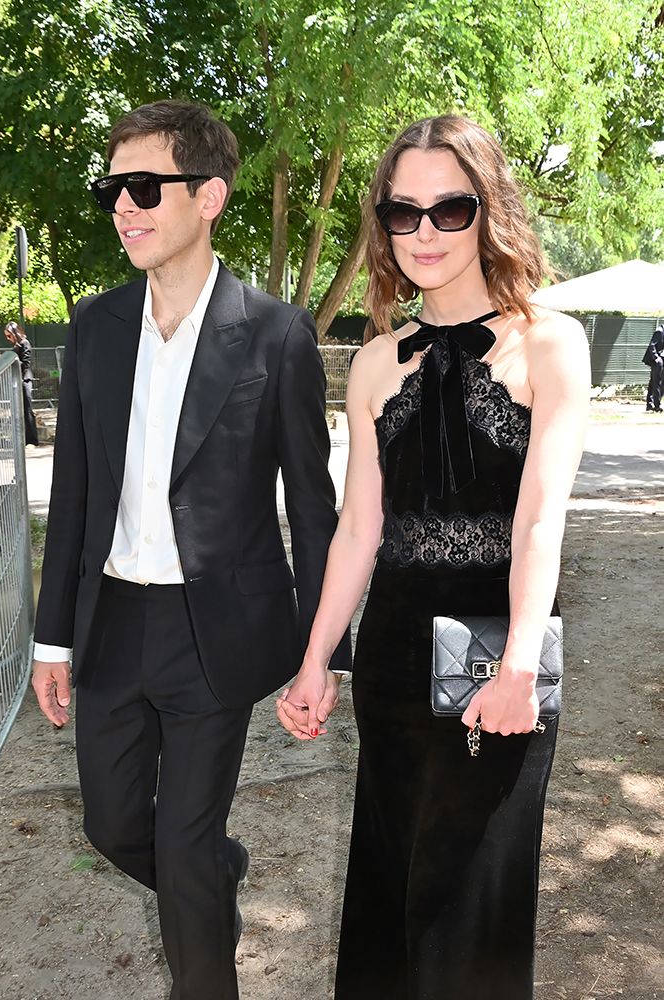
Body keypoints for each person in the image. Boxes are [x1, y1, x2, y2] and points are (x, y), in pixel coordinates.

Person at [31, 99, 350, 1000]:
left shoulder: (278, 334)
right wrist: (53, 640)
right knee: (112, 825)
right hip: (111, 625)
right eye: (113, 191)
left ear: (208, 197)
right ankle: (212, 876)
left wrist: (316, 652)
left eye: (143, 187)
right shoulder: (93, 328)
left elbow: (313, 510)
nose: (123, 207)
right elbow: (77, 500)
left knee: (183, 843)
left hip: (216, 632)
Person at [277, 115, 591, 999]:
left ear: (488, 211)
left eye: (449, 210)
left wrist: (523, 662)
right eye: (402, 211)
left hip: (500, 656)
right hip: (393, 657)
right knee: (390, 890)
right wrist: (315, 662)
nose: (423, 232)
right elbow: (356, 530)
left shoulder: (551, 344)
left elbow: (539, 519)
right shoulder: (377, 363)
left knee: (470, 905)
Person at [3, 320, 39, 445]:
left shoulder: (24, 343)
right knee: (22, 409)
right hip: (20, 380)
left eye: (9, 335)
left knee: (27, 409)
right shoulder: (18, 346)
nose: (8, 338)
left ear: (15, 333)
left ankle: (32, 440)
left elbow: (26, 364)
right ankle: (25, 439)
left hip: (25, 380)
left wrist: (13, 361)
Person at [642, 323, 664, 412]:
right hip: (657, 360)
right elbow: (652, 345)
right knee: (657, 382)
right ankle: (657, 405)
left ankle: (650, 404)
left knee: (654, 382)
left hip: (661, 358)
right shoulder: (660, 331)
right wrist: (656, 358)